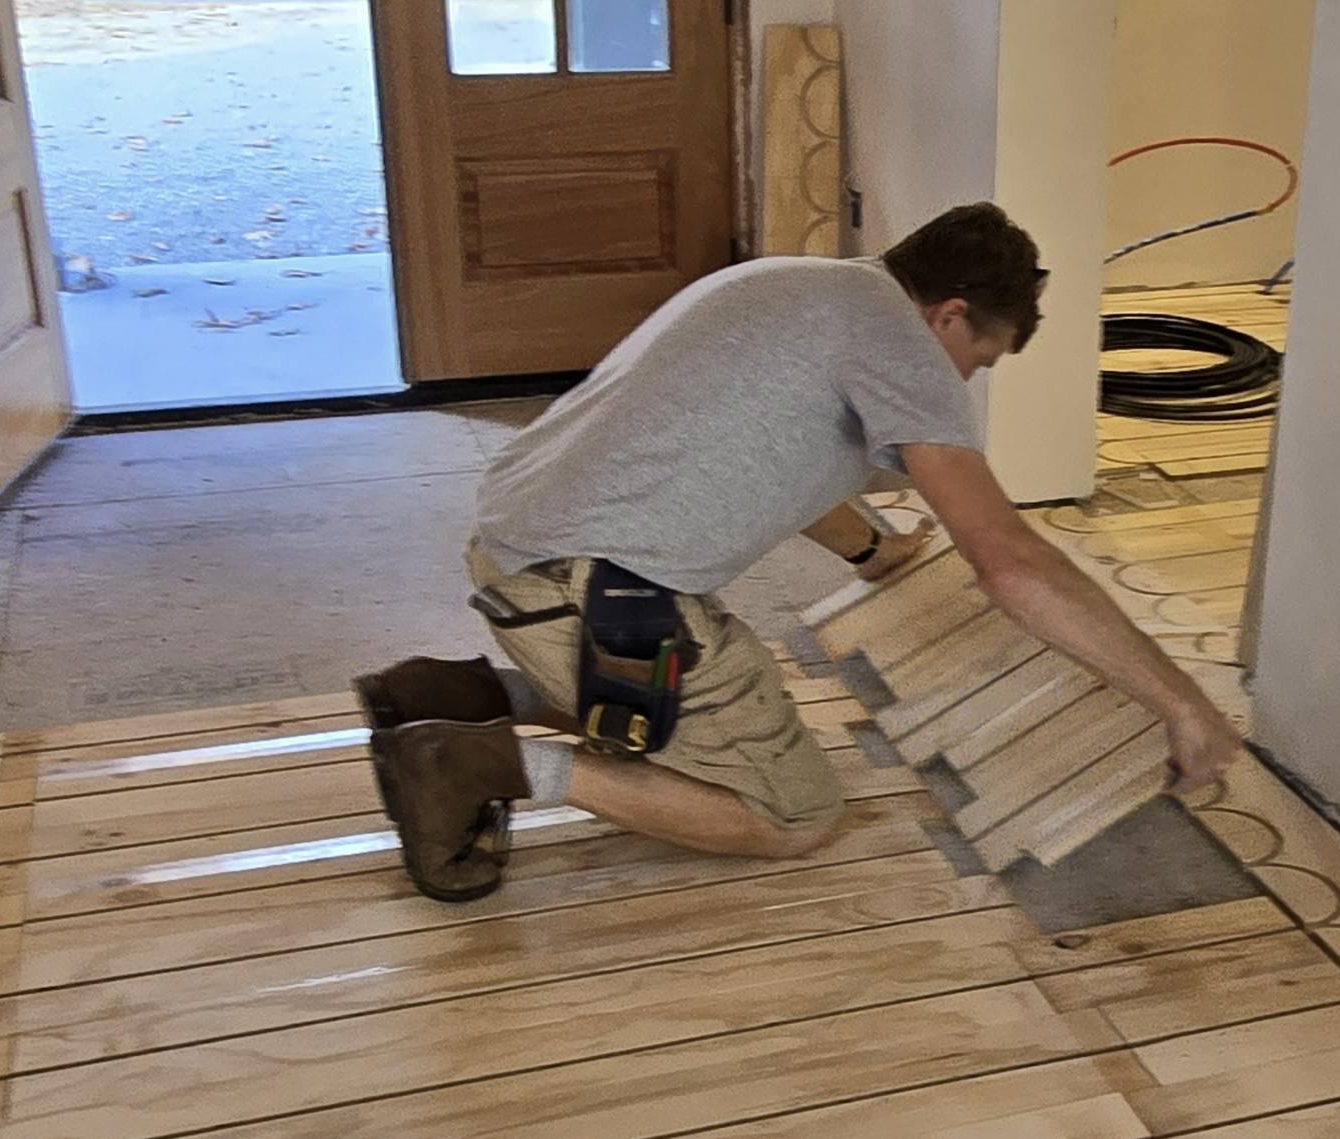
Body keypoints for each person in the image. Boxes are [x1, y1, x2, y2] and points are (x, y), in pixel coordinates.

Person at [354, 202, 1245, 901]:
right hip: (597, 592)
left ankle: (455, 697)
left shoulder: (799, 285)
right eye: (979, 360)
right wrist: (1182, 701)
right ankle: (482, 764)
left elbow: (768, 454)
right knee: (791, 811)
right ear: (949, 315)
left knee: (683, 718)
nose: (964, 383)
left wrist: (871, 553)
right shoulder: (900, 344)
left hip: (517, 550)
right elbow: (1009, 561)